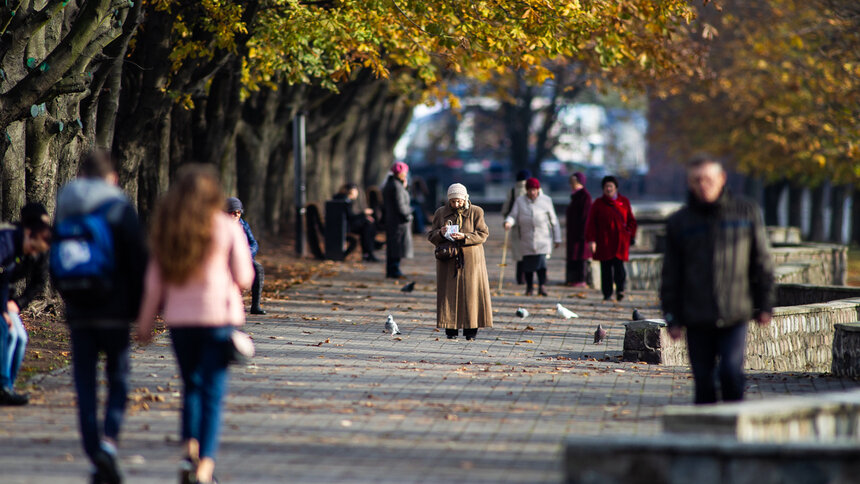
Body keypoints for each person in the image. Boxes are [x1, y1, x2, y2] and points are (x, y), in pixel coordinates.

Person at [136, 164, 254, 484]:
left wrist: (145, 323)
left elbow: (154, 280)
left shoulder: (169, 228)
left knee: (191, 385)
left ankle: (189, 450)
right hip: (218, 321)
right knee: (213, 393)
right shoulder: (226, 226)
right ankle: (205, 468)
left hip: (181, 321)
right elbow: (245, 277)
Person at [54, 150, 148, 484]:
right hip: (114, 310)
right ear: (112, 178)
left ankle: (95, 455)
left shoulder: (66, 203)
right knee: (118, 380)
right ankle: (109, 444)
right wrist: (140, 311)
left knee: (84, 383)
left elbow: (58, 254)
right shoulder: (119, 206)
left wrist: (67, 295)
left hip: (79, 309)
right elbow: (137, 261)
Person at [661, 157, 774, 405]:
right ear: (689, 183)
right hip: (696, 316)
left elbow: (761, 261)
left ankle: (735, 426)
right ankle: (707, 438)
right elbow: (671, 274)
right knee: (703, 381)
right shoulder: (680, 222)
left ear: (722, 179)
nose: (703, 185)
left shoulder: (746, 212)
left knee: (731, 372)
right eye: (697, 180)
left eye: (709, 179)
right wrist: (672, 317)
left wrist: (765, 304)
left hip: (735, 313)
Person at [0, 203, 52, 406]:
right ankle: (3, 386)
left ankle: (7, 386)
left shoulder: (40, 247)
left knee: (20, 337)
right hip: (3, 299)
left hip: (7, 299)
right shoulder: (8, 240)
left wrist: (17, 304)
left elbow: (39, 282)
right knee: (7, 332)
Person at [428, 184, 493, 340]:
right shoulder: (440, 213)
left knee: (471, 294)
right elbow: (431, 235)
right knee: (449, 295)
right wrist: (441, 233)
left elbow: (483, 234)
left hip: (471, 260)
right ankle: (451, 330)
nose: (455, 204)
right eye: (452, 201)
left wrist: (465, 236)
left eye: (458, 201)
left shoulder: (476, 212)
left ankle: (471, 330)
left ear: (465, 198)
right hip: (448, 259)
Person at [504, 178, 561, 296]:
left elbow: (554, 221)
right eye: (530, 190)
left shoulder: (546, 200)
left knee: (541, 264)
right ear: (526, 190)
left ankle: (542, 286)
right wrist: (508, 222)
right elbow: (513, 215)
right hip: (526, 238)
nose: (532, 192)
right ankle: (529, 287)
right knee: (528, 265)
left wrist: (557, 238)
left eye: (534, 190)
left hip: (543, 238)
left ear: (538, 189)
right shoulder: (520, 201)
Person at [585, 175, 637, 302]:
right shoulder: (598, 203)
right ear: (603, 188)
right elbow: (591, 223)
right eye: (606, 187)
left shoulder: (624, 202)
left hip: (620, 241)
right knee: (606, 268)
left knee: (619, 267)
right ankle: (607, 293)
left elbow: (631, 221)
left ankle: (620, 290)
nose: (608, 189)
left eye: (611, 187)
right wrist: (592, 240)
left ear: (616, 188)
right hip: (604, 242)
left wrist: (630, 234)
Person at [226, 197, 267, 314]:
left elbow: (253, 243)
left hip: (243, 258)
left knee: (258, 268)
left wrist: (247, 254)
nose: (236, 215)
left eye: (238, 212)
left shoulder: (243, 225)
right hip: (225, 259)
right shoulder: (220, 226)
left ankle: (256, 305)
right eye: (233, 212)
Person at [333, 183, 380, 262]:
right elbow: (350, 217)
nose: (356, 193)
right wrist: (364, 214)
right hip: (344, 227)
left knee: (367, 225)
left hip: (344, 225)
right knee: (367, 226)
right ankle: (369, 251)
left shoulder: (344, 199)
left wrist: (364, 216)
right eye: (355, 191)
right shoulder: (345, 200)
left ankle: (369, 251)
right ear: (350, 191)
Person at [382, 162, 413, 279]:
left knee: (394, 245)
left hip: (392, 219)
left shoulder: (391, 184)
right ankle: (394, 269)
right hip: (398, 221)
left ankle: (392, 269)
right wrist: (408, 215)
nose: (405, 174)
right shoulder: (396, 186)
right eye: (404, 172)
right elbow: (400, 205)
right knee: (397, 246)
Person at [501, 170, 530, 284]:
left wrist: (507, 220)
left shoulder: (513, 191)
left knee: (519, 254)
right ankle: (531, 278)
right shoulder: (534, 189)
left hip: (516, 225)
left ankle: (520, 278)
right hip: (530, 225)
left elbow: (506, 208)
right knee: (531, 252)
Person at [565, 172, 592, 287]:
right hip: (573, 232)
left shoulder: (585, 196)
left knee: (580, 257)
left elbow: (586, 216)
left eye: (573, 182)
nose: (571, 184)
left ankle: (580, 279)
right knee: (573, 256)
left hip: (580, 233)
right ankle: (571, 279)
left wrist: (583, 233)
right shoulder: (575, 195)